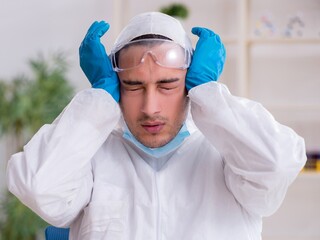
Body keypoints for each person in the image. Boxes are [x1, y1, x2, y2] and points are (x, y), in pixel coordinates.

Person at [7, 12, 306, 240]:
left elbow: (278, 164)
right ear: (115, 87)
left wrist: (210, 95)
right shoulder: (94, 158)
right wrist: (97, 101)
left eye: (167, 85)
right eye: (133, 86)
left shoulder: (228, 157)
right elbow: (37, 186)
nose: (150, 108)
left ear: (190, 83)